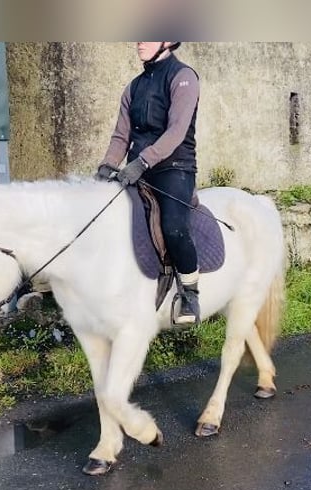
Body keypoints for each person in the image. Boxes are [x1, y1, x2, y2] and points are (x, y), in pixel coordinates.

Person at [95, 41, 201, 325]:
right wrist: (106, 167)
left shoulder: (183, 77)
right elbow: (121, 136)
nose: (139, 42)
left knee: (174, 227)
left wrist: (141, 162)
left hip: (173, 167)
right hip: (136, 168)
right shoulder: (133, 87)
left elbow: (177, 131)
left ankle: (190, 292)